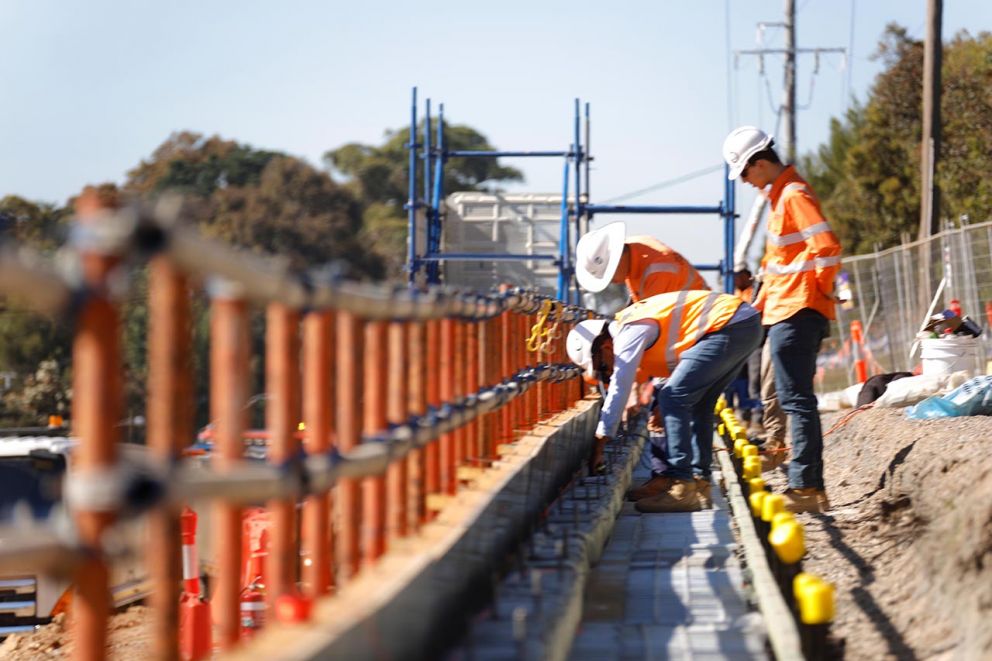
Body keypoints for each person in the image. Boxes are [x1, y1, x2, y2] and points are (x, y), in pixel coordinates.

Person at [722, 126, 842, 513]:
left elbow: (827, 248)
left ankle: (806, 487)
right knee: (788, 396)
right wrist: (756, 308)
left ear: (760, 164)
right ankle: (803, 481)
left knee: (796, 399)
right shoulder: (780, 200)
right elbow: (778, 266)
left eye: (744, 173)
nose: (745, 181)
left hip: (799, 310)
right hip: (785, 310)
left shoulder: (793, 195)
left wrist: (818, 293)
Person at [566, 290, 763, 512]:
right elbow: (672, 359)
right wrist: (664, 404)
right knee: (699, 404)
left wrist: (601, 440)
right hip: (742, 323)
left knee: (673, 397)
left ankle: (682, 485)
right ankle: (699, 483)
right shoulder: (636, 324)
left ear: (606, 347)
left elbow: (620, 385)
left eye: (603, 366)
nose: (608, 372)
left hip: (728, 325)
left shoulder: (629, 331)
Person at [575, 223, 710, 500]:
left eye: (610, 275)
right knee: (672, 406)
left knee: (668, 404)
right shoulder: (639, 254)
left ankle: (682, 481)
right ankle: (678, 478)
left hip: (694, 335)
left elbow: (640, 343)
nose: (613, 282)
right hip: (686, 334)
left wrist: (631, 389)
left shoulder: (657, 271)